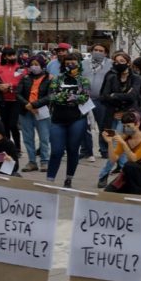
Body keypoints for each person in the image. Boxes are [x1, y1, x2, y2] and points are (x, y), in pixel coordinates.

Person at [98, 51, 141, 188]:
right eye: (116, 62)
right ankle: (123, 176)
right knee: (117, 146)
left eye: (122, 61)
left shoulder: (135, 78)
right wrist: (119, 97)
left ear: (128, 62)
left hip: (128, 118)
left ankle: (105, 174)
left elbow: (133, 97)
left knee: (120, 147)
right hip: (112, 116)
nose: (118, 64)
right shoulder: (111, 77)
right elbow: (104, 96)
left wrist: (115, 95)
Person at [45, 53, 90, 188]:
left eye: (73, 61)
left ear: (78, 63)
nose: (70, 64)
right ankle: (50, 180)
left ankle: (69, 178)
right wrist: (72, 96)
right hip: (58, 119)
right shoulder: (57, 79)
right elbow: (52, 96)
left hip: (77, 119)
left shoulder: (84, 80)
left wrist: (65, 96)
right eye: (67, 61)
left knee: (72, 150)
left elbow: (84, 97)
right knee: (56, 151)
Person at [102, 111, 141, 196]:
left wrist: (123, 143)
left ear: (137, 124)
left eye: (128, 126)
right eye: (124, 126)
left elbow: (134, 158)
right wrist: (109, 143)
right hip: (131, 170)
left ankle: (139, 192)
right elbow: (113, 159)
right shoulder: (125, 138)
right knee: (108, 192)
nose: (126, 129)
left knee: (129, 165)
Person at [17, 54, 52, 173]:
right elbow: (18, 94)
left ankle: (44, 161)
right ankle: (32, 161)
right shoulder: (25, 78)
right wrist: (27, 105)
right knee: (27, 138)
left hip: (41, 111)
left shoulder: (48, 78)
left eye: (36, 65)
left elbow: (50, 96)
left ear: (42, 65)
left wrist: (34, 105)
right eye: (31, 64)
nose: (34, 67)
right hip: (25, 111)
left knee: (44, 137)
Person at [81, 42, 111, 160]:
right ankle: (85, 150)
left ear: (105, 53)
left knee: (104, 125)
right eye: (95, 50)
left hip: (102, 100)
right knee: (85, 125)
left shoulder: (110, 64)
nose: (97, 52)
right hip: (86, 99)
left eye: (101, 50)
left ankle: (104, 150)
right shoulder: (83, 63)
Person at [0, 47, 23, 151]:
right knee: (5, 125)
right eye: (10, 55)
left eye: (14, 55)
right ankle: (7, 147)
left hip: (16, 100)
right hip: (3, 101)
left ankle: (17, 147)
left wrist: (10, 86)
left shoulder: (20, 68)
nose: (12, 57)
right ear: (5, 57)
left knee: (13, 125)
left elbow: (22, 82)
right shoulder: (0, 69)